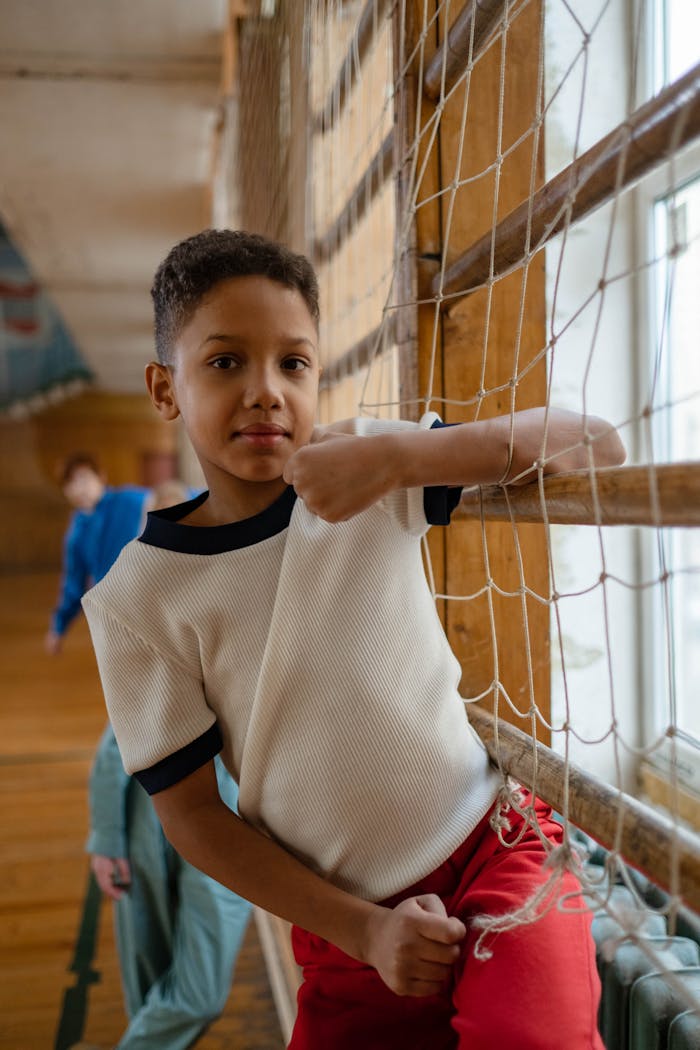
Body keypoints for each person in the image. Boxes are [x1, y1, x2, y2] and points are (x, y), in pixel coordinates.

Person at [81, 229, 626, 1050]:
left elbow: (599, 445)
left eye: (293, 363)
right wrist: (364, 933)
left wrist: (408, 455)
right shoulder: (135, 599)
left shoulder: (371, 468)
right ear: (166, 388)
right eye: (226, 362)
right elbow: (192, 817)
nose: (266, 391)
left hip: (498, 854)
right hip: (345, 929)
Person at [47, 461, 250, 1049]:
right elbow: (117, 743)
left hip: (228, 814)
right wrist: (106, 837)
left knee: (202, 989)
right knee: (148, 967)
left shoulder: (234, 593)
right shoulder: (134, 603)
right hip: (149, 809)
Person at [45, 454, 149, 654]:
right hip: (111, 613)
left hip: (146, 601)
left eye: (83, 478)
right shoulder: (77, 532)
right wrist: (58, 627)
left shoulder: (129, 501)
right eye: (70, 483)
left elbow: (173, 498)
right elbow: (73, 584)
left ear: (100, 477)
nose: (78, 488)